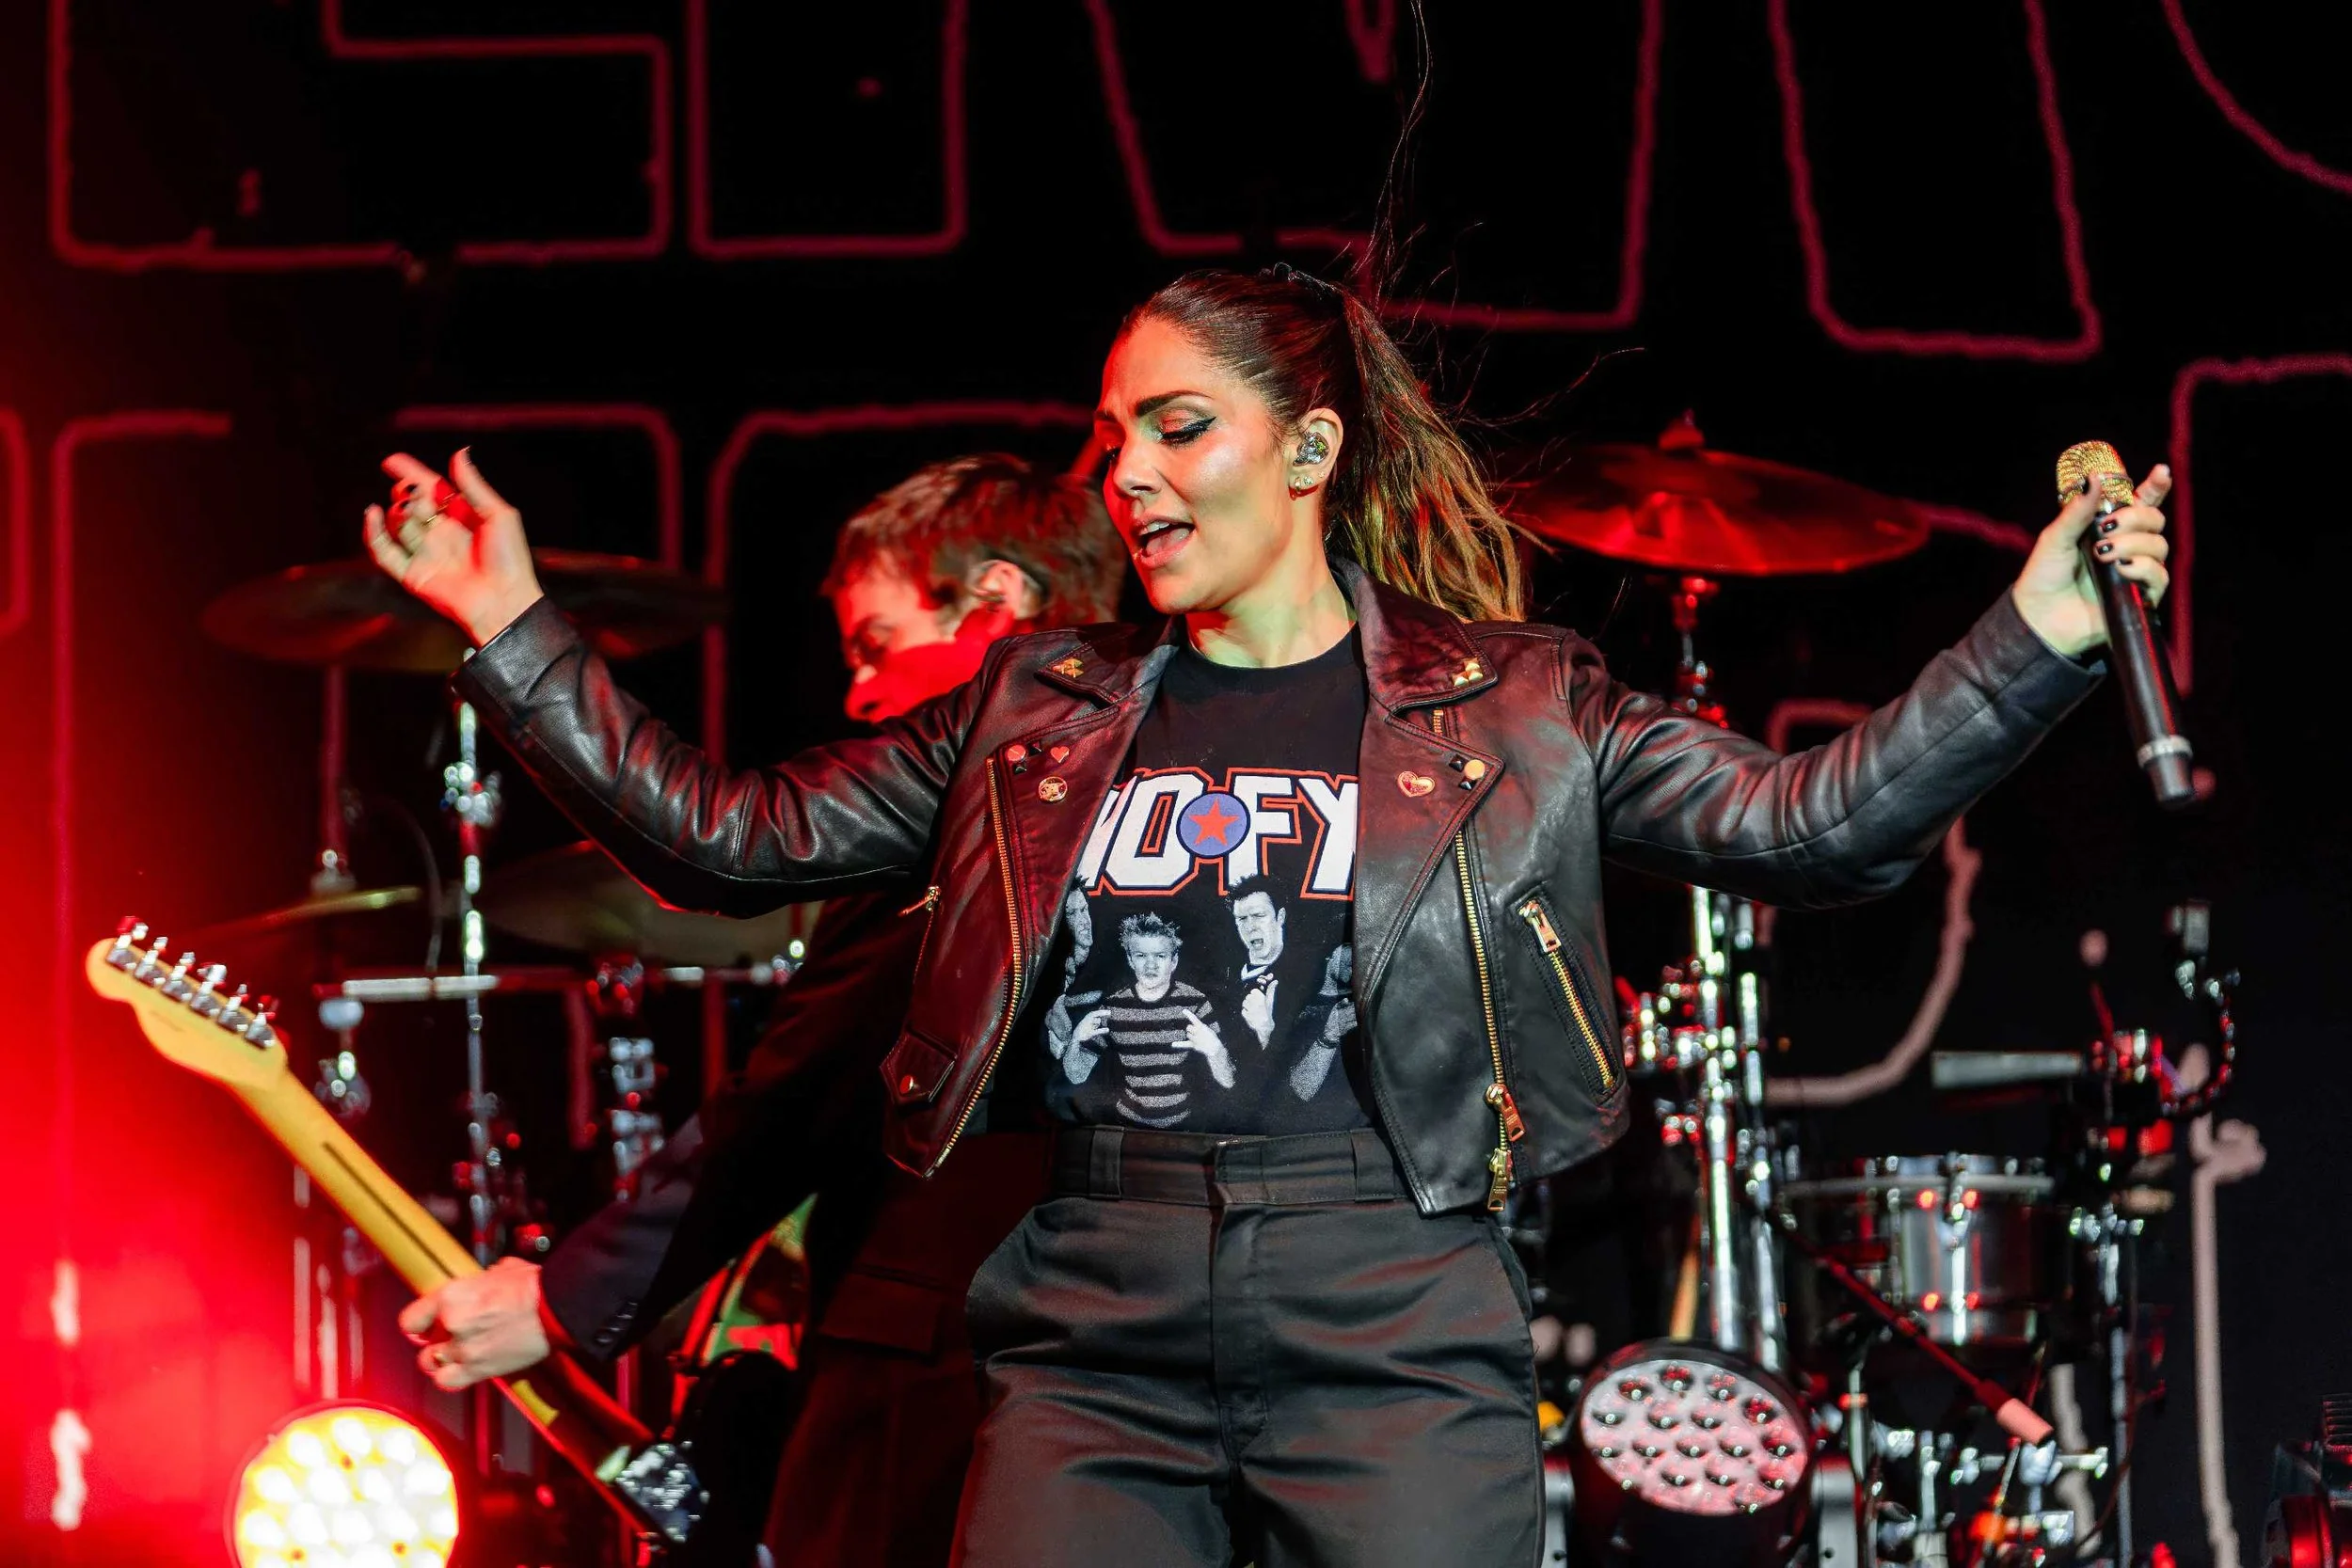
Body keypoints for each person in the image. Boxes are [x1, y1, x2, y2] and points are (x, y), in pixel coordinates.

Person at [368, 264, 2170, 1567]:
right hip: (1095, 1309)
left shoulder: (1515, 700)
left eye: (1180, 430)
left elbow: (1816, 824)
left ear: (1309, 449)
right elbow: (726, 841)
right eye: (1114, 439)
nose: (1131, 477)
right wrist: (510, 625)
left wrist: (2040, 637)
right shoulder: (1038, 710)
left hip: (1392, 1304)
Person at [394, 453, 1125, 1567]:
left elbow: (789, 1090)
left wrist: (562, 1297)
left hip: (947, 1374)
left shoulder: (990, 797)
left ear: (996, 601)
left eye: (876, 643)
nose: (859, 694)